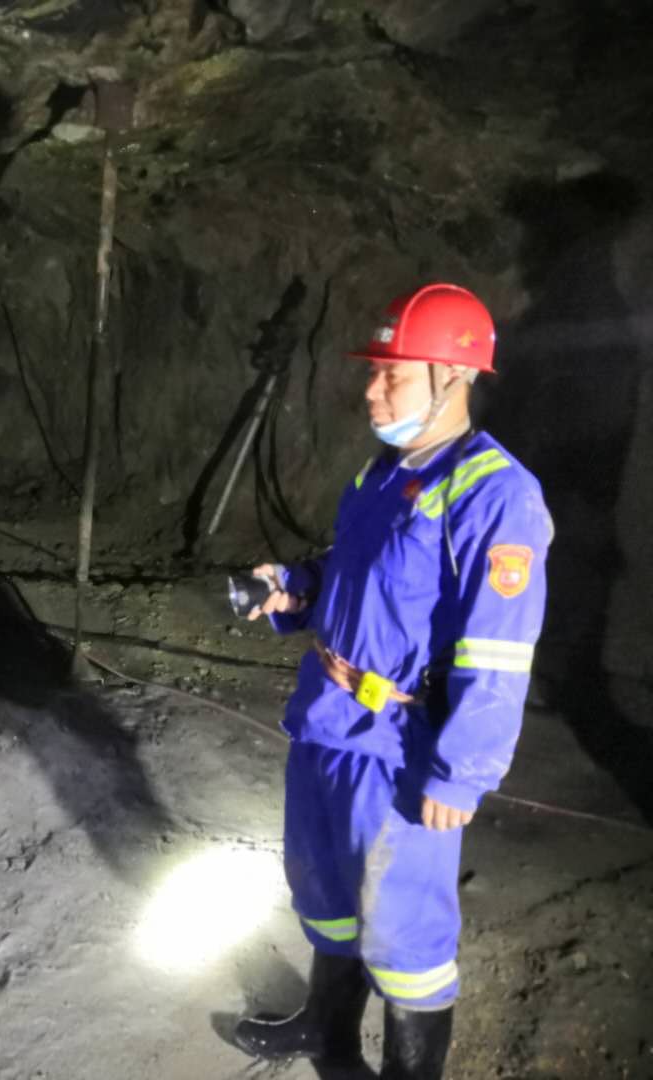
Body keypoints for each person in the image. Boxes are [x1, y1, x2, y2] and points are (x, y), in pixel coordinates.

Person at [234, 284, 553, 1079]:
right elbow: (356, 576)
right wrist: (295, 589)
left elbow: (499, 650)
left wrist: (462, 770)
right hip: (327, 722)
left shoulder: (496, 495)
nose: (372, 390)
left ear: (454, 377)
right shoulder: (382, 474)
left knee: (405, 934)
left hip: (400, 752)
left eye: (393, 375)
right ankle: (327, 1033)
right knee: (325, 893)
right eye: (374, 372)